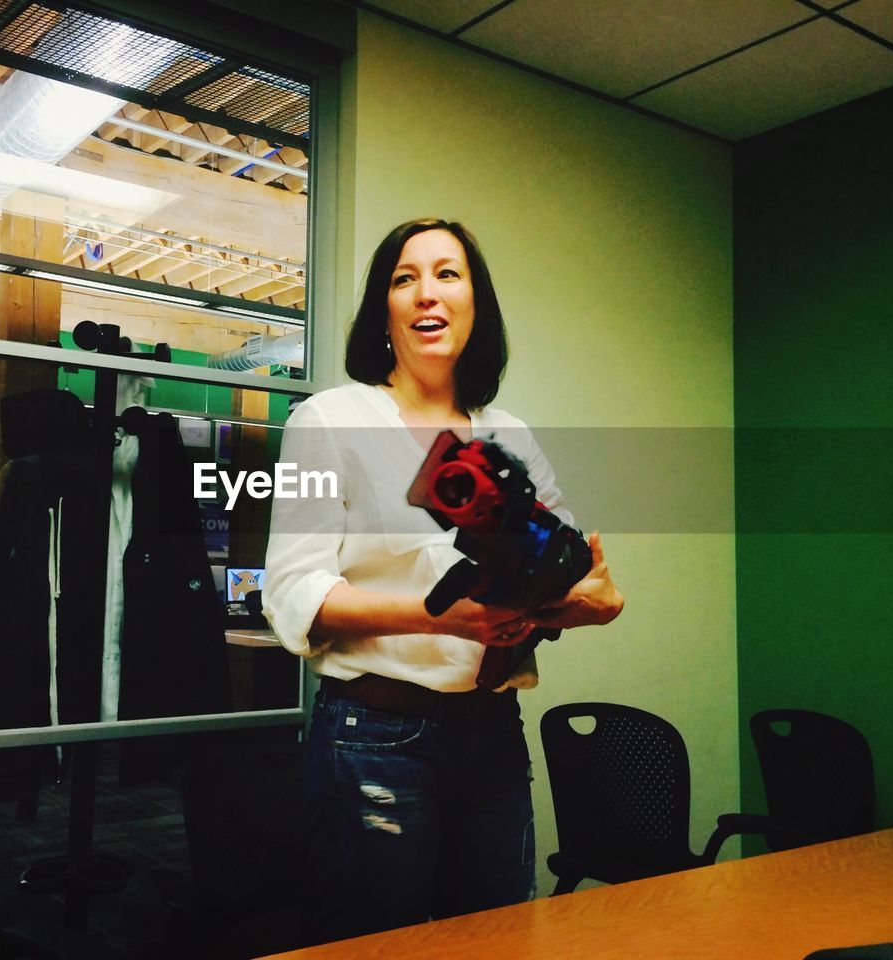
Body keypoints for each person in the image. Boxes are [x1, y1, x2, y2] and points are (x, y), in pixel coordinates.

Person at [263, 218, 624, 944]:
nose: (427, 292)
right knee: (377, 948)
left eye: (447, 274)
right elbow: (295, 591)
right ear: (384, 312)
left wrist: (576, 605)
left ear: (475, 304)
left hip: (492, 731)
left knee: (499, 943)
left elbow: (576, 576)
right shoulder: (326, 420)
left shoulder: (509, 435)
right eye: (405, 278)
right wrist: (441, 619)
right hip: (375, 736)